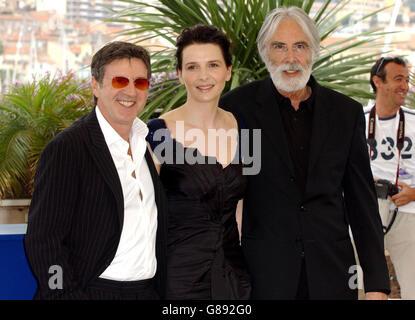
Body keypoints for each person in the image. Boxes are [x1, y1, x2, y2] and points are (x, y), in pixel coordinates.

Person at [219, 7, 390, 300]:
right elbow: (221, 196)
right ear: (264, 53)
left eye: (300, 46)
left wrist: (376, 283)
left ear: (314, 51)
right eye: (279, 47)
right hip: (264, 275)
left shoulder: (345, 113)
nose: (290, 58)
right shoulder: (237, 108)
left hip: (333, 272)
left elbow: (362, 202)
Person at [24, 41, 167, 300]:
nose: (131, 91)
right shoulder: (68, 148)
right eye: (119, 81)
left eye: (140, 82)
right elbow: (44, 241)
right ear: (95, 85)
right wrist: (64, 294)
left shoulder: (143, 143)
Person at [146, 24, 251, 299]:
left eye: (213, 65)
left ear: (228, 71)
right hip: (177, 279)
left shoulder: (248, 132)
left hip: (235, 279)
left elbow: (242, 210)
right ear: (180, 74)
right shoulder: (157, 134)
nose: (204, 76)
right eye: (192, 67)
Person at [364, 56, 415, 300]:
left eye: (406, 79)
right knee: (357, 289)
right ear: (378, 82)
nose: (405, 86)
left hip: (408, 213)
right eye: (398, 79)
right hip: (363, 214)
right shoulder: (356, 120)